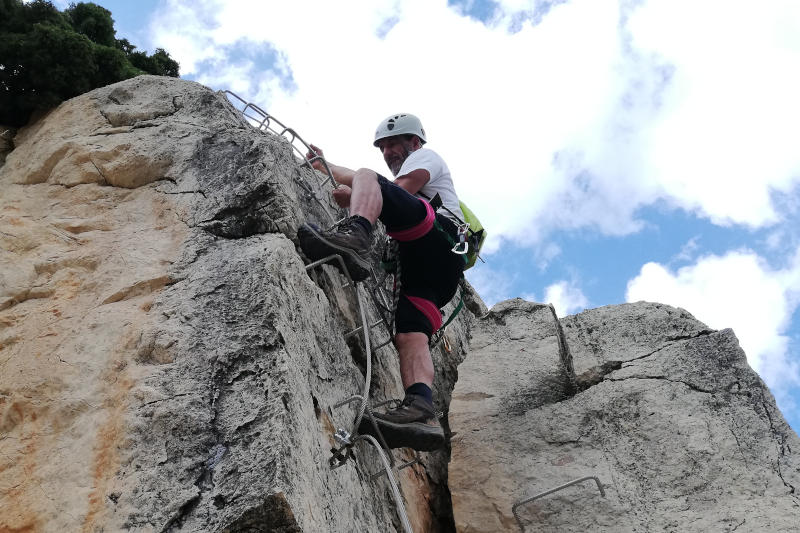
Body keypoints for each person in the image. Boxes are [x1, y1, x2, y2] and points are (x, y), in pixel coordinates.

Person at [297, 113, 465, 451]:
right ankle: (420, 407)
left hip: (436, 237)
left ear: (414, 142)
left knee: (367, 178)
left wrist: (356, 197)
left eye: (394, 144)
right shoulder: (403, 165)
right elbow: (365, 180)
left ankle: (355, 235)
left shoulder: (426, 157)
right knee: (410, 333)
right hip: (434, 272)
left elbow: (393, 188)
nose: (388, 152)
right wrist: (323, 164)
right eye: (384, 147)